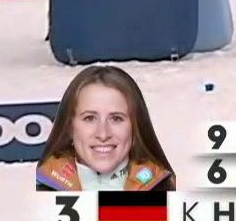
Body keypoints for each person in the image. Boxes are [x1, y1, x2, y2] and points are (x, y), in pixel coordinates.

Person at [34, 65, 175, 192]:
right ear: (70, 127)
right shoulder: (39, 190)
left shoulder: (166, 190)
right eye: (89, 118)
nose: (103, 134)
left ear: (135, 126)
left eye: (116, 119)